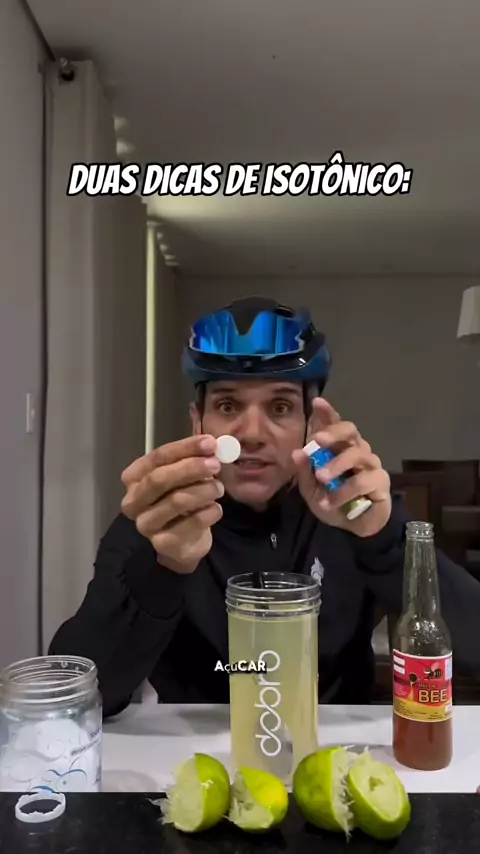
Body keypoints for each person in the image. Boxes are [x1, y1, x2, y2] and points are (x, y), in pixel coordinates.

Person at [49, 296, 480, 717]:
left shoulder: (354, 511)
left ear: (311, 425)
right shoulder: (160, 519)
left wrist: (384, 541)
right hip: (197, 752)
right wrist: (162, 570)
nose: (252, 433)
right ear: (198, 422)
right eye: (227, 405)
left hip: (334, 749)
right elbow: (75, 697)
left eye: (280, 406)